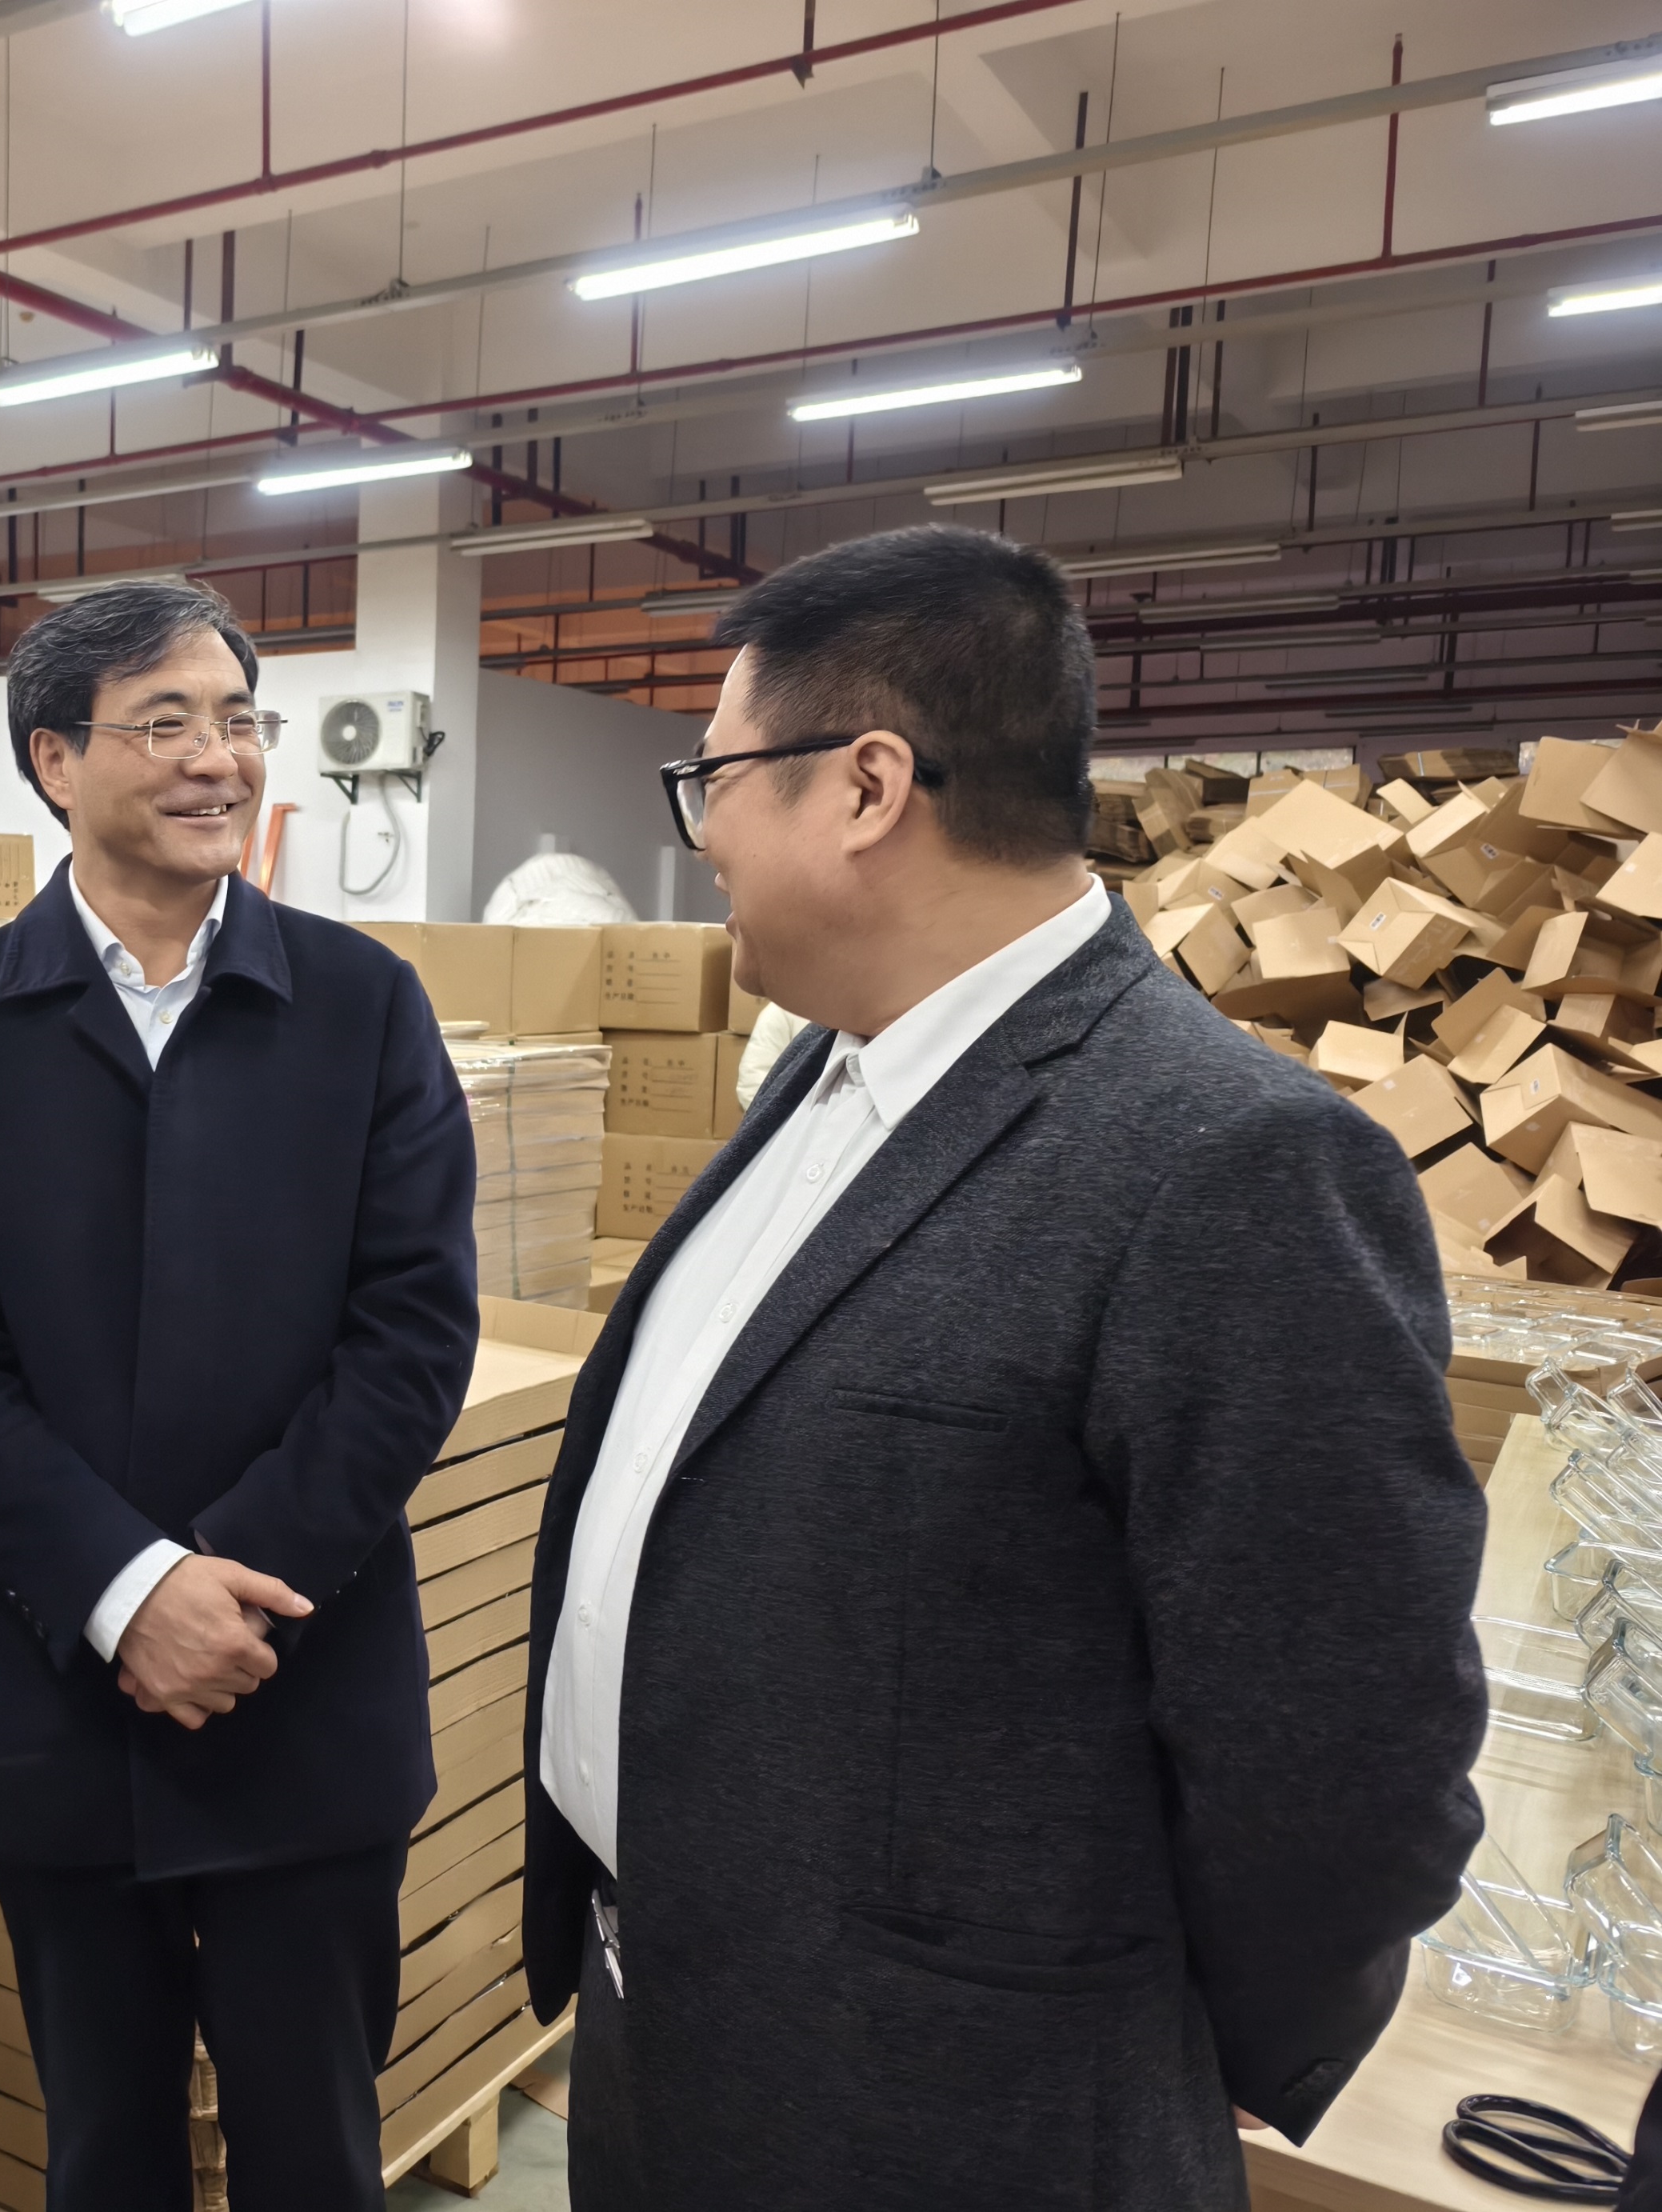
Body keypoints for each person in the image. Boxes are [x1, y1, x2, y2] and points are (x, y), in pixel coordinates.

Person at [523, 524, 1488, 2212]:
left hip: (952, 2114)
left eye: (712, 783)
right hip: (670, 2029)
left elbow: (1345, 1761)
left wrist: (1129, 2041)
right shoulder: (827, 1078)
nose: (700, 837)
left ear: (864, 786)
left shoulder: (1223, 1160)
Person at [0, 581, 480, 2212]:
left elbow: (413, 1332)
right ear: (54, 760)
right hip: (60, 1699)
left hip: (302, 1682)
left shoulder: (361, 1005)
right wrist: (127, 1593)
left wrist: (231, 1587)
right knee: (103, 2151)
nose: (219, 758)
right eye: (166, 723)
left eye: (238, 720)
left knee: (314, 2153)